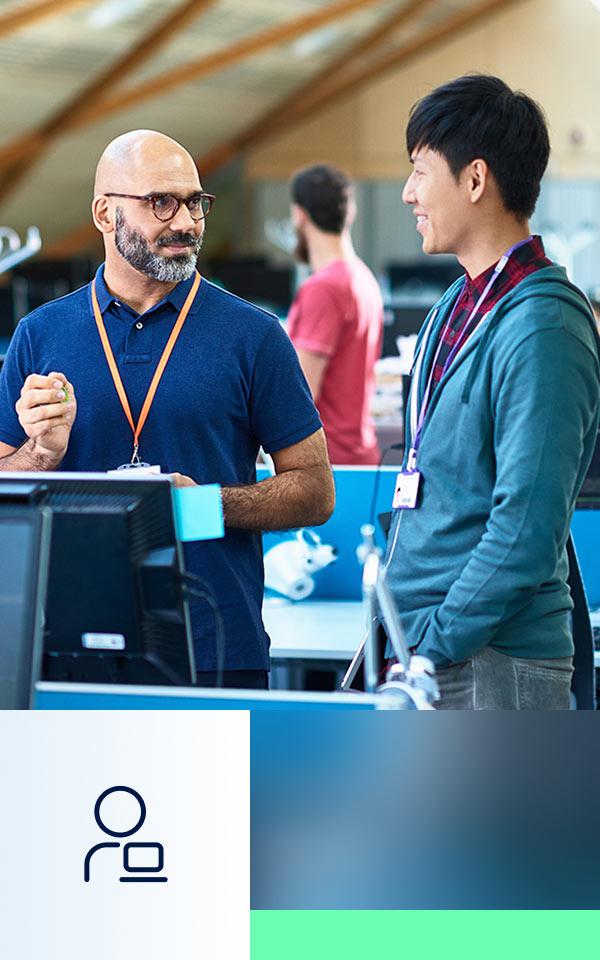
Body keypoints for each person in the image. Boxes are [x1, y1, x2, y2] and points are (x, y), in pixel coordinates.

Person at [0, 129, 334, 690]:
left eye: (194, 202)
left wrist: (202, 506)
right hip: (66, 644)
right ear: (105, 214)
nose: (186, 222)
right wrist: (40, 454)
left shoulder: (254, 335)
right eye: (161, 202)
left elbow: (316, 490)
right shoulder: (40, 335)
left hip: (216, 646)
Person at [384, 75, 600, 709]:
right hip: (431, 653)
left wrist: (434, 644)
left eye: (420, 171)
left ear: (475, 179)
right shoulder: (459, 302)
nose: (409, 192)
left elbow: (525, 531)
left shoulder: (544, 325)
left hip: (489, 662)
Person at [287, 164, 383, 465]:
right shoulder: (363, 277)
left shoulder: (323, 288)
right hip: (358, 455)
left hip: (330, 464)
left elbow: (297, 398)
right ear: (349, 213)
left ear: (299, 215)